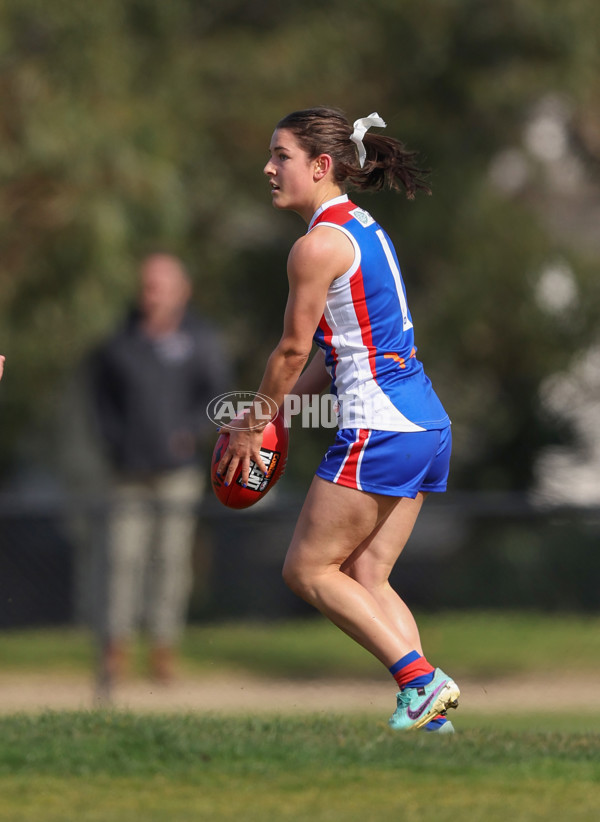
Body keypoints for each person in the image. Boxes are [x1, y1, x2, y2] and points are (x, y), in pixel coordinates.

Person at [218, 107, 459, 733]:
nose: (268, 169)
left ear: (321, 166)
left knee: (306, 569)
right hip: (425, 425)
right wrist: (285, 412)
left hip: (380, 427)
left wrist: (254, 424)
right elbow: (338, 349)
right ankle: (434, 724)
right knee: (366, 574)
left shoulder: (315, 246)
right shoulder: (362, 228)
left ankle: (421, 681)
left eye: (282, 156)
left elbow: (293, 351)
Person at [89, 253, 232, 689]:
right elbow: (99, 403)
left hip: (178, 473)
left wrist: (191, 433)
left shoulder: (202, 340)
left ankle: (163, 649)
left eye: (160, 285)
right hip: (127, 472)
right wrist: (114, 443)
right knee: (120, 560)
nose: (151, 294)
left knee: (171, 563)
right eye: (147, 285)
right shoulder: (119, 341)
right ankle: (115, 650)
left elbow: (218, 398)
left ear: (181, 291)